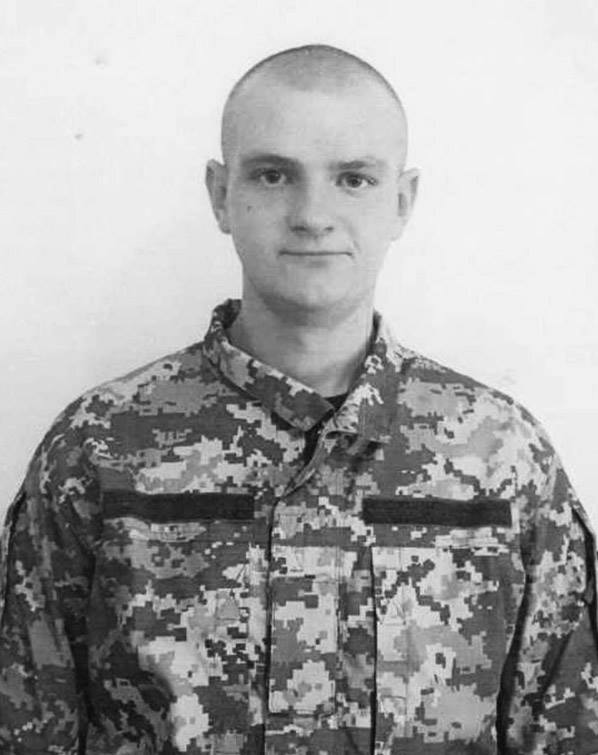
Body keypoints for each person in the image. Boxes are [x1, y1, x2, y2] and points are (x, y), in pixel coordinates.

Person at [0, 43, 597, 755]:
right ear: (221, 194)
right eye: (274, 175)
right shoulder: (100, 446)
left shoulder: (500, 455)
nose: (313, 214)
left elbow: (568, 731)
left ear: (401, 201)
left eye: (353, 179)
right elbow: (26, 726)